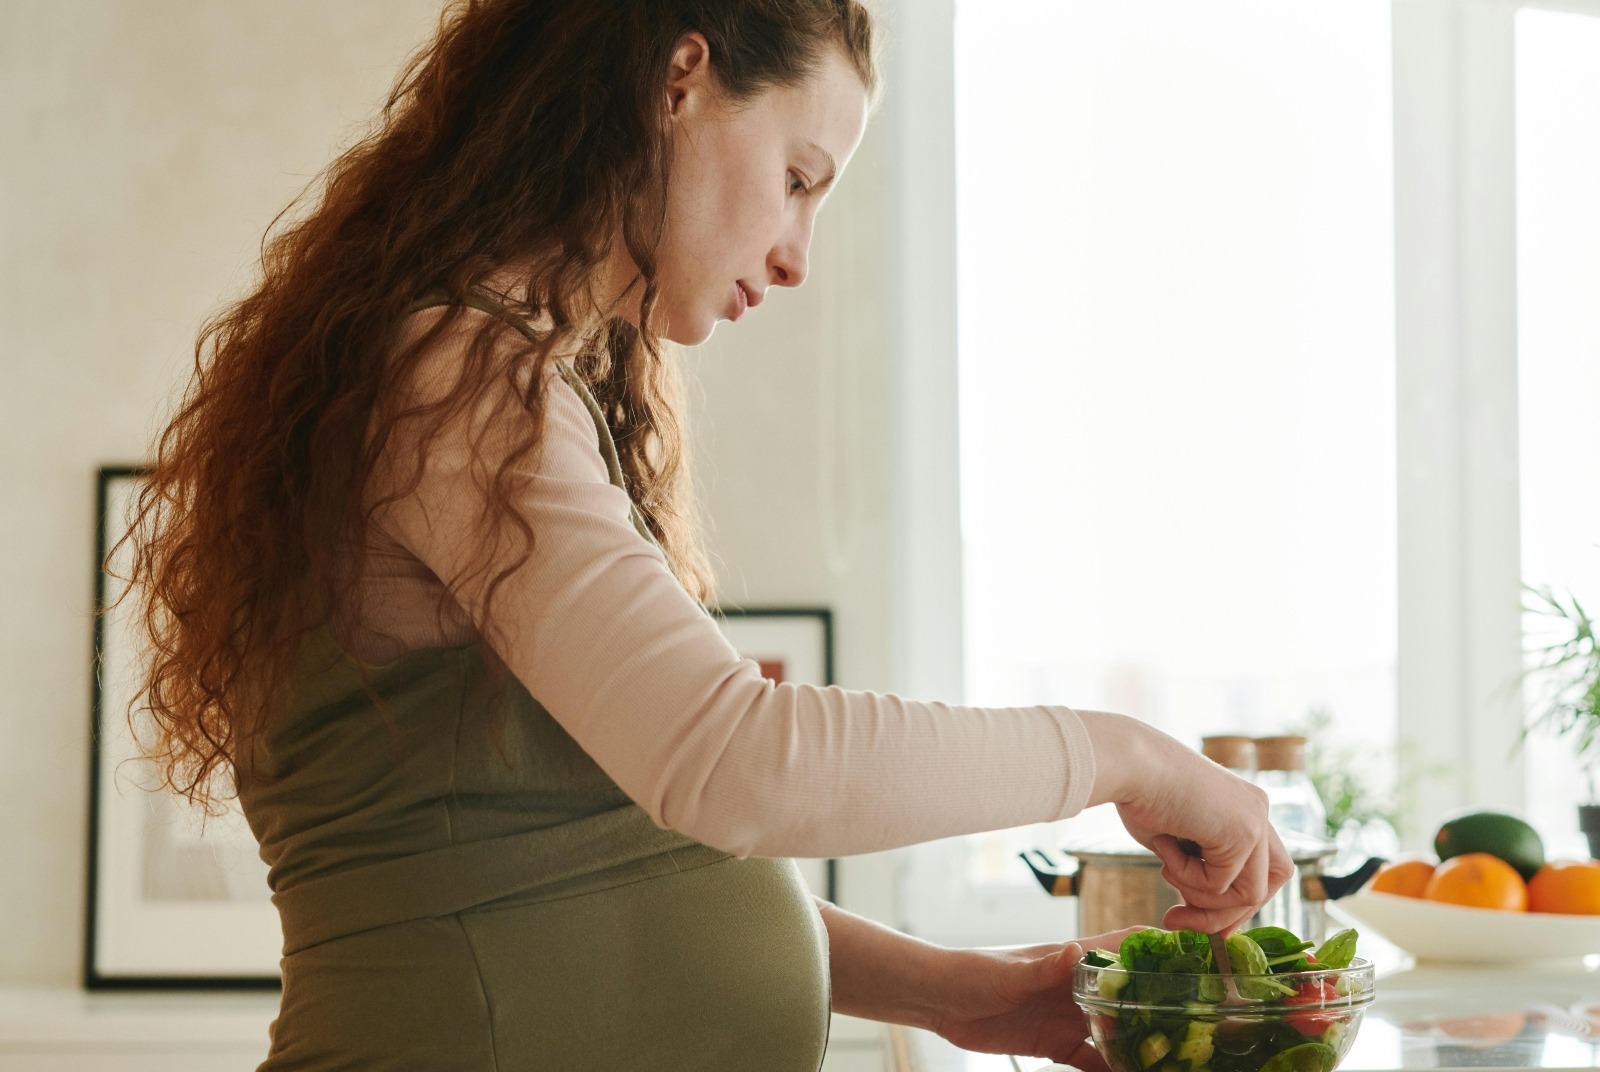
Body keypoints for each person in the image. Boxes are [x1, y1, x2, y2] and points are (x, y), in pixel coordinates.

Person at [125, 2, 1293, 1069]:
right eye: (796, 177)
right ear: (678, 79)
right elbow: (738, 764)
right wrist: (1128, 757)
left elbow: (597, 862)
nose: (794, 255)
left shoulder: (518, 379)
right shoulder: (459, 379)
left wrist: (956, 993)